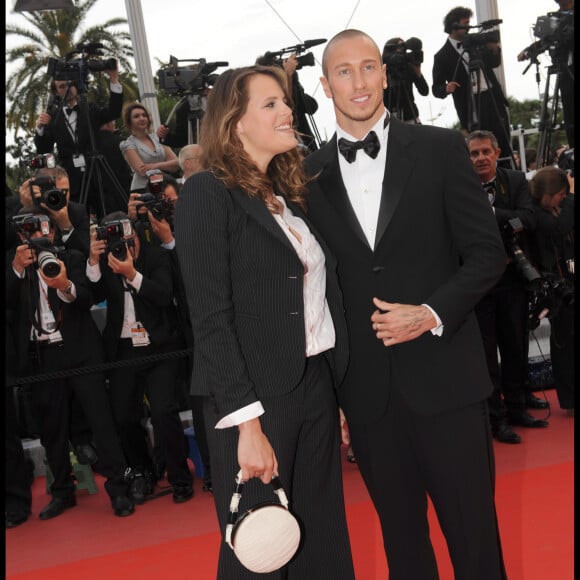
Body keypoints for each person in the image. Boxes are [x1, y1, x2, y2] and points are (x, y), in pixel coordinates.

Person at [304, 29, 507, 579]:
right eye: (344, 71)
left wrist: (432, 313)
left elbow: (488, 255)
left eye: (369, 67)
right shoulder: (306, 176)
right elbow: (315, 292)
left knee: (476, 542)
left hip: (449, 386)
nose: (360, 82)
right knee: (403, 549)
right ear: (325, 85)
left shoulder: (440, 149)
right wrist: (331, 391)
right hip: (368, 399)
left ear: (385, 74)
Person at [173, 65, 355, 579]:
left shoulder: (288, 198)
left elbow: (314, 302)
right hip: (252, 400)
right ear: (235, 123)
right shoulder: (207, 193)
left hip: (313, 384)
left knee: (322, 541)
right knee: (260, 550)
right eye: (271, 103)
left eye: (285, 101)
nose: (287, 111)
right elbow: (211, 318)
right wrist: (246, 425)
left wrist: (332, 395)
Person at [7, 207, 135, 519]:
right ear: (21, 236)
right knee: (53, 430)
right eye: (29, 232)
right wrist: (16, 270)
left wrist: (63, 284)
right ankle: (62, 492)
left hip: (81, 353)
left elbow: (87, 297)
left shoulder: (73, 258)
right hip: (42, 358)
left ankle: (119, 489)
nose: (37, 238)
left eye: (42, 231)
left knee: (101, 423)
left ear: (52, 232)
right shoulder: (14, 265)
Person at [87, 211, 194, 505]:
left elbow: (163, 294)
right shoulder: (107, 259)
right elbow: (93, 295)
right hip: (123, 350)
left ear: (135, 233)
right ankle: (143, 473)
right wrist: (94, 262)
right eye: (115, 239)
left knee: (163, 411)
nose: (122, 244)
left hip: (160, 346)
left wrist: (131, 273)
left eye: (127, 237)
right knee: (124, 416)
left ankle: (179, 475)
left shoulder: (155, 255)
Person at [467, 130, 549, 444]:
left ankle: (517, 409)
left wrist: (492, 214)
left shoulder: (514, 181)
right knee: (487, 356)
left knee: (515, 348)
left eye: (485, 152)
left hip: (514, 280)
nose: (480, 159)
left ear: (497, 151)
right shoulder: (461, 186)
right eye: (474, 154)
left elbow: (528, 220)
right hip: (479, 286)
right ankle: (495, 420)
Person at [432, 6, 514, 166]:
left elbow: (494, 63)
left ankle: (508, 180)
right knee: (480, 146)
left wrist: (494, 49)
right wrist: (446, 88)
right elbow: (436, 88)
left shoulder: (476, 43)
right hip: (470, 106)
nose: (469, 27)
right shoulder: (442, 56)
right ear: (454, 26)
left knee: (502, 143)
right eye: (466, 23)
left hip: (492, 98)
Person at [34, 64, 123, 208]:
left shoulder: (91, 109)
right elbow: (44, 149)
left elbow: (114, 111)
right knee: (79, 218)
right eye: (62, 86)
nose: (68, 89)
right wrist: (40, 129)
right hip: (72, 179)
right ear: (56, 92)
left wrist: (113, 79)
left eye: (70, 84)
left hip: (97, 173)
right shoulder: (53, 118)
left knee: (107, 212)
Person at [529, 165, 575, 416]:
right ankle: (570, 400)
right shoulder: (536, 215)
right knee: (564, 345)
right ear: (548, 194)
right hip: (556, 289)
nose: (565, 197)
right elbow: (558, 229)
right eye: (561, 193)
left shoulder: (561, 207)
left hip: (570, 277)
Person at [517, 0, 574, 148]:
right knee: (570, 116)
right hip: (564, 72)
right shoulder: (554, 18)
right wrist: (529, 51)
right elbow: (547, 40)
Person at [256, 52, 320, 153]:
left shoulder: (292, 88)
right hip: (290, 153)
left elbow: (312, 107)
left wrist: (294, 82)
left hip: (308, 147)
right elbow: (287, 107)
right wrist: (288, 76)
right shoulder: (265, 97)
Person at [119, 102, 180, 193]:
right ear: (129, 121)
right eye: (136, 116)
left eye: (144, 115)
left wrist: (155, 165)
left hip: (166, 187)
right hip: (143, 190)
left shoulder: (158, 138)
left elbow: (177, 163)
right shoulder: (128, 144)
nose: (142, 118)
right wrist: (167, 165)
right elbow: (143, 171)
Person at [382, 37, 429, 123]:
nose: (402, 52)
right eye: (399, 48)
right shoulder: (382, 70)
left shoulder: (407, 67)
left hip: (411, 117)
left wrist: (418, 72)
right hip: (389, 119)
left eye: (404, 49)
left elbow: (424, 91)